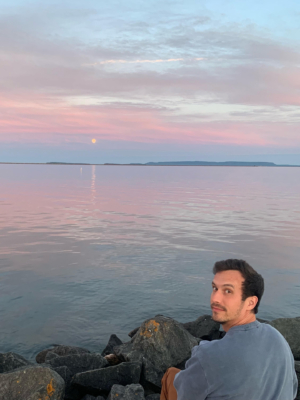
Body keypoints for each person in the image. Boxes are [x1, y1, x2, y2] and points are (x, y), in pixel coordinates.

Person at [160, 259, 298, 400]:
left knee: (171, 375)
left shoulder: (207, 356)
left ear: (251, 302)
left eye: (228, 291)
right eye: (215, 288)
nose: (216, 298)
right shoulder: (278, 338)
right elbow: (292, 390)